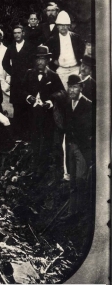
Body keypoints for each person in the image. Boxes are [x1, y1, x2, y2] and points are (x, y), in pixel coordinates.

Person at [23, 45, 64, 173]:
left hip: (47, 114)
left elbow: (62, 92)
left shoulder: (53, 75)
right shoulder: (29, 73)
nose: (40, 62)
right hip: (32, 113)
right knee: (34, 139)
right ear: (35, 60)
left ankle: (44, 169)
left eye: (43, 59)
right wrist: (28, 96)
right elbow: (20, 90)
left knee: (47, 140)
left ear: (47, 60)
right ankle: (34, 167)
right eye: (38, 59)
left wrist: (51, 101)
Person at [60, 74, 94, 222]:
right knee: (73, 181)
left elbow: (91, 130)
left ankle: (81, 213)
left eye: (74, 87)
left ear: (81, 88)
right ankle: (71, 212)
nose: (71, 90)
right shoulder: (68, 104)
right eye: (70, 87)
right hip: (70, 147)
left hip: (82, 148)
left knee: (80, 179)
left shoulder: (88, 105)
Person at [2, 25, 36, 141]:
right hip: (16, 82)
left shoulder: (30, 47)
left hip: (28, 81)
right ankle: (18, 136)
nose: (17, 35)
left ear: (23, 33)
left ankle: (28, 136)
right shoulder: (11, 47)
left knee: (28, 106)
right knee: (17, 107)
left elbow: (34, 63)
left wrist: (30, 73)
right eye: (15, 33)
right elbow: (5, 63)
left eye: (19, 32)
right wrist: (13, 72)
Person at [47, 10, 85, 89]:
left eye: (65, 25)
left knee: (75, 90)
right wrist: (53, 60)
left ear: (68, 26)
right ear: (57, 26)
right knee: (63, 91)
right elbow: (48, 55)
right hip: (61, 70)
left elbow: (82, 52)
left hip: (75, 69)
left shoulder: (76, 37)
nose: (63, 27)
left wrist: (81, 65)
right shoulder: (52, 40)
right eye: (61, 25)